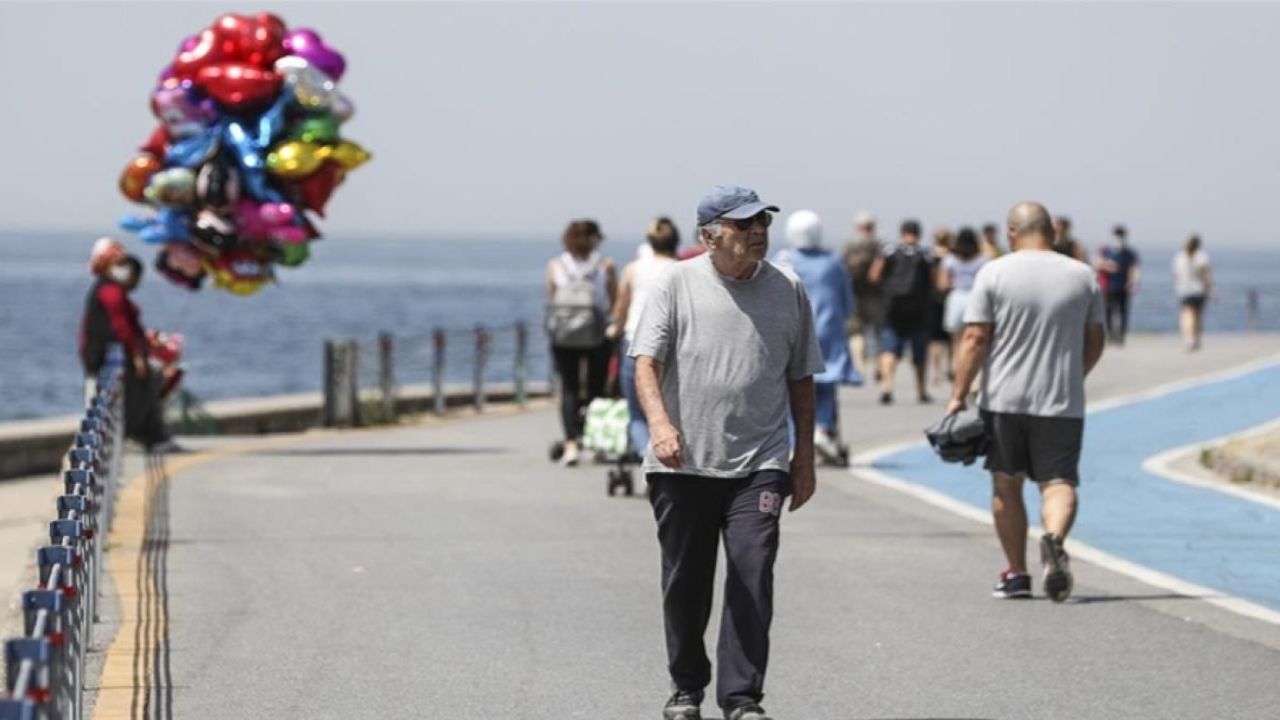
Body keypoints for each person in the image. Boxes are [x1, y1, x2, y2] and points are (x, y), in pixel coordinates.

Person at [631, 185, 822, 720]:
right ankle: (686, 687)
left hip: (758, 463)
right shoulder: (675, 282)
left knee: (751, 570)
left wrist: (802, 458)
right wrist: (660, 425)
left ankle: (741, 698)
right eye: (743, 224)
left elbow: (801, 378)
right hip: (683, 461)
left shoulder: (788, 289)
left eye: (762, 220)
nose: (757, 230)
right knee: (686, 580)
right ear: (709, 236)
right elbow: (645, 362)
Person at [947, 202, 1105, 603]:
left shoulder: (995, 272)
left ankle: (1016, 574)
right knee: (1059, 482)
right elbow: (1095, 339)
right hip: (1061, 400)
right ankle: (1053, 538)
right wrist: (1074, 376)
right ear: (1052, 230)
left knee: (1006, 484)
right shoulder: (1082, 275)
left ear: (1011, 232)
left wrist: (958, 394)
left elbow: (975, 338)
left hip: (1003, 398)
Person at [774, 210, 860, 464]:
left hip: (792, 331)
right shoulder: (833, 262)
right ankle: (822, 429)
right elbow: (847, 303)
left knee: (791, 386)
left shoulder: (783, 260)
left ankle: (792, 440)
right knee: (826, 383)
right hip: (829, 330)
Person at [79, 241, 177, 451]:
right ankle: (142, 434)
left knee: (152, 380)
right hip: (109, 357)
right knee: (141, 388)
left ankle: (149, 433)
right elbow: (121, 327)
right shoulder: (110, 291)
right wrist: (137, 355)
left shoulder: (111, 290)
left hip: (118, 354)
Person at [545, 219, 617, 466]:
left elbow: (553, 299)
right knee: (597, 387)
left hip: (564, 336)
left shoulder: (556, 266)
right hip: (597, 334)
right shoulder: (605, 266)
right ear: (595, 239)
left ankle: (570, 443)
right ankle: (593, 439)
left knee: (569, 388)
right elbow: (612, 302)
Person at [608, 217, 680, 458]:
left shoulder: (633, 269)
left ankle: (647, 458)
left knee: (638, 412)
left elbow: (621, 308)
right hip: (672, 345)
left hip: (635, 342)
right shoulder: (681, 270)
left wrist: (613, 330)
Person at [869, 219, 934, 405]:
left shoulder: (889, 251)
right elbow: (936, 281)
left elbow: (874, 275)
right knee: (919, 353)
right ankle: (921, 391)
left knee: (889, 349)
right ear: (919, 234)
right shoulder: (925, 254)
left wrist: (885, 289)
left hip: (892, 310)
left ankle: (887, 387)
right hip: (919, 311)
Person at [841, 211, 885, 378]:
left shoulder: (850, 244)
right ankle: (879, 365)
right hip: (875, 294)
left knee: (856, 333)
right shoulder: (878, 244)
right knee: (878, 332)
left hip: (854, 294)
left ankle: (859, 367)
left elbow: (842, 268)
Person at [938, 226, 988, 355]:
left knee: (956, 340)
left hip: (957, 296)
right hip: (976, 297)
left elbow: (942, 284)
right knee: (975, 338)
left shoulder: (950, 259)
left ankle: (956, 367)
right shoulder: (983, 259)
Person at [1095, 224, 1141, 345]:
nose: (1119, 238)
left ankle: (1121, 335)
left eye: (1121, 235)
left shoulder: (1129, 253)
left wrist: (1132, 282)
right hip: (1108, 286)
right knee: (1108, 311)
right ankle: (1110, 334)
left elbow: (1134, 268)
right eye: (1117, 235)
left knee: (1123, 312)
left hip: (1123, 287)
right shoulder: (1106, 251)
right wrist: (1108, 266)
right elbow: (1097, 263)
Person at [1173, 234, 1213, 351]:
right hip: (1198, 290)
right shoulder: (1201, 257)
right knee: (1197, 315)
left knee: (1187, 315)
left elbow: (1176, 275)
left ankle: (1189, 338)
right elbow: (1206, 275)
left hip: (1184, 290)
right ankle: (1195, 338)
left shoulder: (1180, 257)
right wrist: (1211, 289)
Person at [928, 227, 954, 386]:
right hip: (950, 297)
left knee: (935, 340)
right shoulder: (953, 256)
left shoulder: (931, 256)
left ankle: (936, 372)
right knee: (952, 338)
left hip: (933, 299)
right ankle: (951, 368)